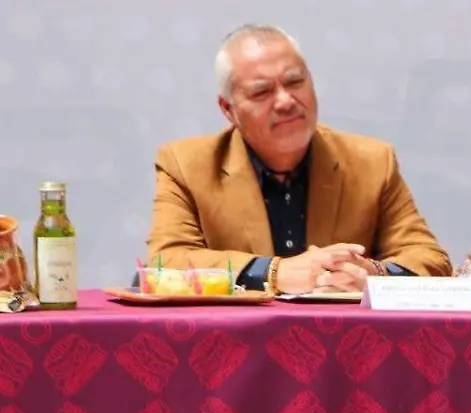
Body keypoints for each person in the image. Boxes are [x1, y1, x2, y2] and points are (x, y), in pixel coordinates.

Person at [146, 24, 452, 294]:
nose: (285, 101)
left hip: (344, 347)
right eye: (262, 92)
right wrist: (272, 272)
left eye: (295, 83)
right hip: (239, 348)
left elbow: (430, 260)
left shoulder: (372, 161)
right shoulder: (185, 164)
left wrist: (374, 274)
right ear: (228, 109)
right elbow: (165, 264)